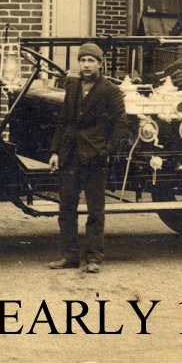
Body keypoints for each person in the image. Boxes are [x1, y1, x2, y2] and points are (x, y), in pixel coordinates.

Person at [47, 42, 128, 275]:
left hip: (95, 157)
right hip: (71, 156)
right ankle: (70, 256)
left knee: (96, 210)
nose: (86, 65)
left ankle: (94, 257)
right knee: (67, 208)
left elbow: (121, 124)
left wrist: (107, 150)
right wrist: (55, 152)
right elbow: (63, 122)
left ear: (100, 64)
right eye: (83, 60)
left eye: (91, 61)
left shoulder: (110, 90)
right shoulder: (72, 88)